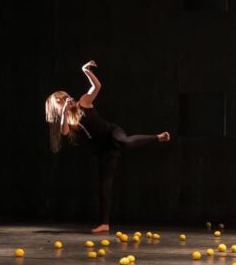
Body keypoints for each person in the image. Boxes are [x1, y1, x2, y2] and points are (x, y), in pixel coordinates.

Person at [45, 60, 170, 233]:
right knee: (104, 185)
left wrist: (85, 70)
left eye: (67, 97)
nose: (68, 101)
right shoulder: (68, 122)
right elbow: (64, 132)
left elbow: (97, 86)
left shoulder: (84, 101)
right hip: (104, 150)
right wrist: (65, 113)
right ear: (58, 107)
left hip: (112, 133)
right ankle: (105, 223)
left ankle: (158, 137)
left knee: (125, 142)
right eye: (62, 101)